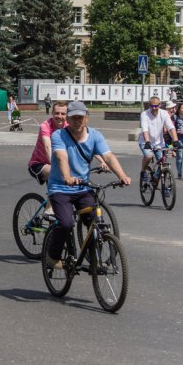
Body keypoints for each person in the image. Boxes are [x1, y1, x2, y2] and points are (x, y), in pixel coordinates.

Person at [44, 101, 131, 269]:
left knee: (94, 222)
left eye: (80, 117)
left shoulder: (95, 136)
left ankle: (94, 260)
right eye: (74, 118)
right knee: (66, 223)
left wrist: (122, 175)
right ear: (68, 119)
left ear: (86, 118)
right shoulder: (58, 135)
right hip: (61, 188)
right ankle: (52, 256)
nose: (77, 121)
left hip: (83, 187)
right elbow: (61, 157)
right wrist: (67, 177)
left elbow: (108, 156)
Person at [138, 96, 180, 182]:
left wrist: (175, 140)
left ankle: (157, 178)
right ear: (149, 105)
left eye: (156, 106)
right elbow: (145, 129)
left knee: (163, 162)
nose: (154, 108)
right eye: (152, 106)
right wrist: (147, 142)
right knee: (149, 156)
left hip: (159, 143)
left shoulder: (164, 113)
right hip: (145, 142)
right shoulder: (144, 114)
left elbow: (171, 127)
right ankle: (143, 171)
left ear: (160, 105)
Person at [28, 101, 69, 186]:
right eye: (57, 113)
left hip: (57, 163)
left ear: (67, 115)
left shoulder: (68, 127)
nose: (59, 116)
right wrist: (57, 166)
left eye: (63, 114)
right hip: (38, 164)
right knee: (60, 173)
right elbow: (48, 146)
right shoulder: (45, 125)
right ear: (52, 113)